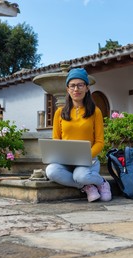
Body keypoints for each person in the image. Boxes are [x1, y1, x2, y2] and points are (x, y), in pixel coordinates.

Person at [46, 68, 112, 202]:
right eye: (72, 85)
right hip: (66, 161)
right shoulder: (59, 112)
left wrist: (86, 156)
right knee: (51, 171)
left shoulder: (95, 111)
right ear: (68, 89)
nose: (76, 89)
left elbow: (99, 142)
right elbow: (56, 140)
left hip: (88, 159)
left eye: (80, 85)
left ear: (87, 88)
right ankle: (88, 186)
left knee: (81, 175)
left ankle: (102, 182)